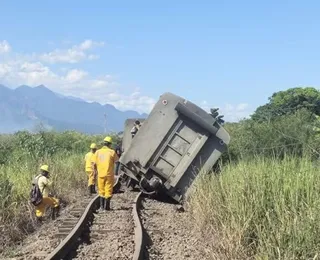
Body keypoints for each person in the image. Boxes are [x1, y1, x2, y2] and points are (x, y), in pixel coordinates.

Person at [92, 136, 119, 211]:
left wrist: (95, 172)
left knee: (101, 190)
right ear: (110, 144)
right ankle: (107, 207)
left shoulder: (97, 152)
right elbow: (117, 162)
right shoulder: (112, 152)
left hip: (100, 174)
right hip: (109, 174)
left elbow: (94, 164)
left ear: (104, 144)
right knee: (108, 190)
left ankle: (101, 207)